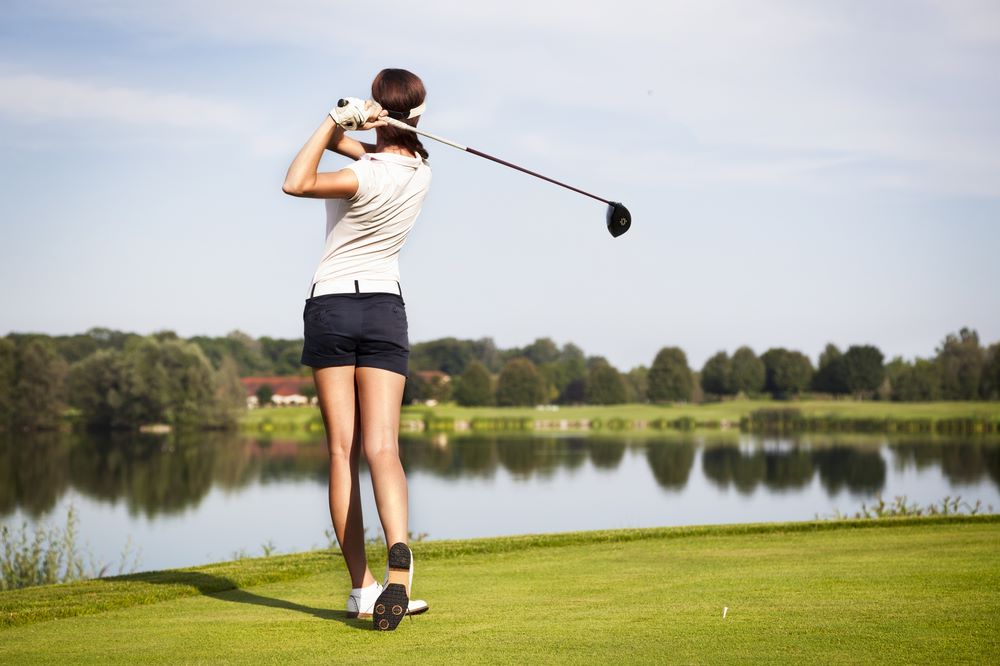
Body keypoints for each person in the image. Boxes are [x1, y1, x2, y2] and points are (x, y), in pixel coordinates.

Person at [282, 68, 431, 631]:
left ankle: (361, 589)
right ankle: (401, 564)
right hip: (384, 310)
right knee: (384, 449)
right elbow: (373, 148)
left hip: (333, 306)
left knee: (342, 451)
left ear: (383, 112)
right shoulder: (419, 171)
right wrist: (362, 121)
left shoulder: (357, 177)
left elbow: (297, 181)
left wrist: (331, 118)